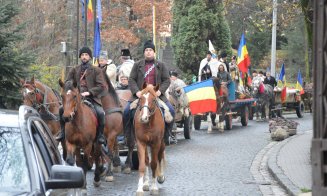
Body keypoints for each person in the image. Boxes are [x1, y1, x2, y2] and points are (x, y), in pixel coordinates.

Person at [124, 40, 176, 145]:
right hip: (140, 95)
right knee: (126, 112)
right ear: (144, 52)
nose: (148, 52)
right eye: (146, 50)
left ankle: (167, 135)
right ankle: (128, 136)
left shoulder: (161, 65)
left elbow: (167, 80)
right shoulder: (137, 65)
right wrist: (137, 92)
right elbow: (131, 80)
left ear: (154, 52)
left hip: (156, 95)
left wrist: (160, 91)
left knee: (171, 111)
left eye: (150, 50)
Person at [56, 46, 106, 144]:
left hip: (91, 98)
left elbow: (101, 86)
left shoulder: (96, 70)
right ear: (80, 57)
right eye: (82, 55)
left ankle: (100, 135)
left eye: (86, 55)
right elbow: (67, 83)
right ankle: (62, 132)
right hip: (75, 98)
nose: (84, 57)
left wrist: (89, 92)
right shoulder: (74, 69)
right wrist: (72, 91)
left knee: (101, 113)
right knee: (61, 109)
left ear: (90, 57)